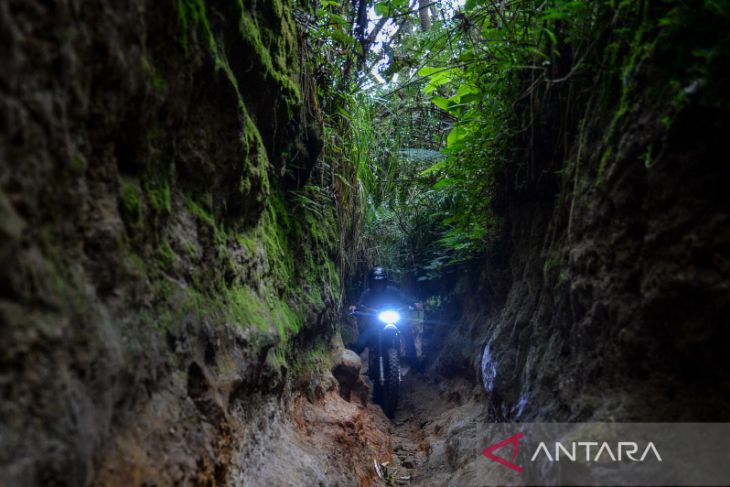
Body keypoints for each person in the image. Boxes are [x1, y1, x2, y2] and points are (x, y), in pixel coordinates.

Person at [348, 266, 423, 366]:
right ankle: (350, 365)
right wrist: (355, 308)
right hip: (375, 322)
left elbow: (405, 299)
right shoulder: (367, 293)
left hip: (394, 319)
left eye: (380, 281)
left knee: (407, 333)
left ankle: (414, 363)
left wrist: (414, 304)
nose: (378, 284)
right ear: (371, 282)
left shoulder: (392, 291)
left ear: (384, 281)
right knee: (362, 341)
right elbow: (359, 304)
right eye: (375, 282)